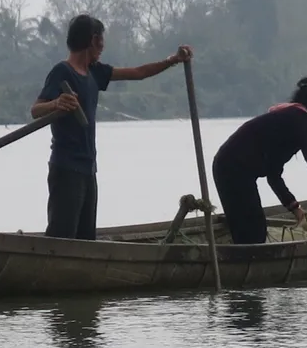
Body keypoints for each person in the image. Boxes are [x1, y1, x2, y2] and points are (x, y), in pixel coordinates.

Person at [31, 14, 193, 241]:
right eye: (101, 41)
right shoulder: (62, 72)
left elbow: (138, 73)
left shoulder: (94, 72)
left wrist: (173, 60)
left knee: (86, 239)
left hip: (88, 169)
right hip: (66, 168)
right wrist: (56, 103)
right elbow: (36, 110)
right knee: (61, 238)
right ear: (93, 40)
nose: (103, 47)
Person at [212, 77, 307, 245]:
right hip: (234, 169)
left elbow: (273, 176)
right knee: (252, 228)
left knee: (248, 228)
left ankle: (243, 264)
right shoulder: (301, 120)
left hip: (225, 166)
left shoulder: (284, 123)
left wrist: (296, 209)